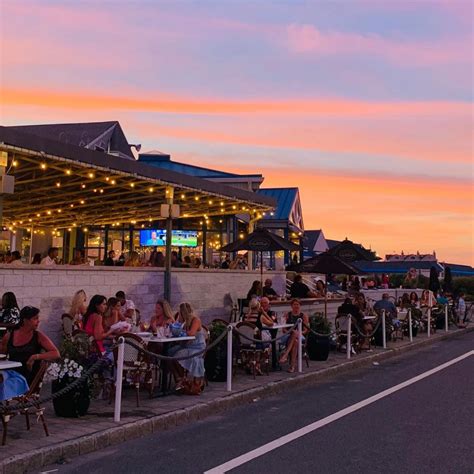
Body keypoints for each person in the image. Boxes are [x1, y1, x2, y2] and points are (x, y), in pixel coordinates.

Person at [1, 306, 60, 384]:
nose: (38, 321)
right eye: (35, 319)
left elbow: (56, 353)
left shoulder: (38, 336)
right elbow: (2, 355)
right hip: (13, 376)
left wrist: (35, 357)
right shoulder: (9, 336)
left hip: (31, 377)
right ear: (25, 320)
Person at [169, 303, 206, 393]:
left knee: (176, 355)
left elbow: (192, 333)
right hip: (186, 346)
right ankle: (180, 378)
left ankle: (182, 379)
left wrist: (181, 330)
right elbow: (176, 329)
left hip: (197, 347)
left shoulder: (195, 320)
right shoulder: (184, 322)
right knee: (168, 353)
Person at [278, 299, 309, 373]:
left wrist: (299, 332)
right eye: (294, 304)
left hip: (300, 335)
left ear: (300, 306)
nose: (296, 306)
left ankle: (286, 355)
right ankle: (292, 366)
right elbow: (284, 329)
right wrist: (291, 331)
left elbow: (306, 330)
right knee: (295, 341)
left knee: (295, 336)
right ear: (291, 306)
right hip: (288, 335)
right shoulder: (287, 315)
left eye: (297, 304)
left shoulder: (303, 316)